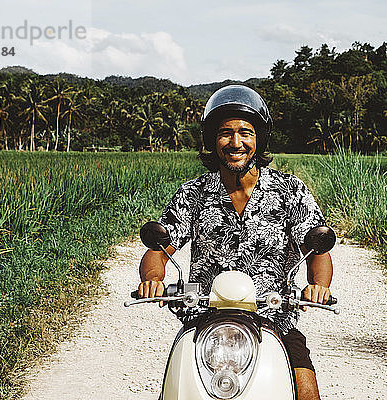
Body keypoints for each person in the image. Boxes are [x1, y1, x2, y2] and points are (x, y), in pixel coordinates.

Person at [138, 84, 333, 400]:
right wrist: (153, 280)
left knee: (306, 391)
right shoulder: (193, 194)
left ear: (259, 140)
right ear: (212, 141)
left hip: (276, 321)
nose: (235, 142)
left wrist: (319, 286)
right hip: (205, 324)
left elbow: (317, 250)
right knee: (177, 389)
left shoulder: (290, 191)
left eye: (246, 132)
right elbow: (159, 250)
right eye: (225, 133)